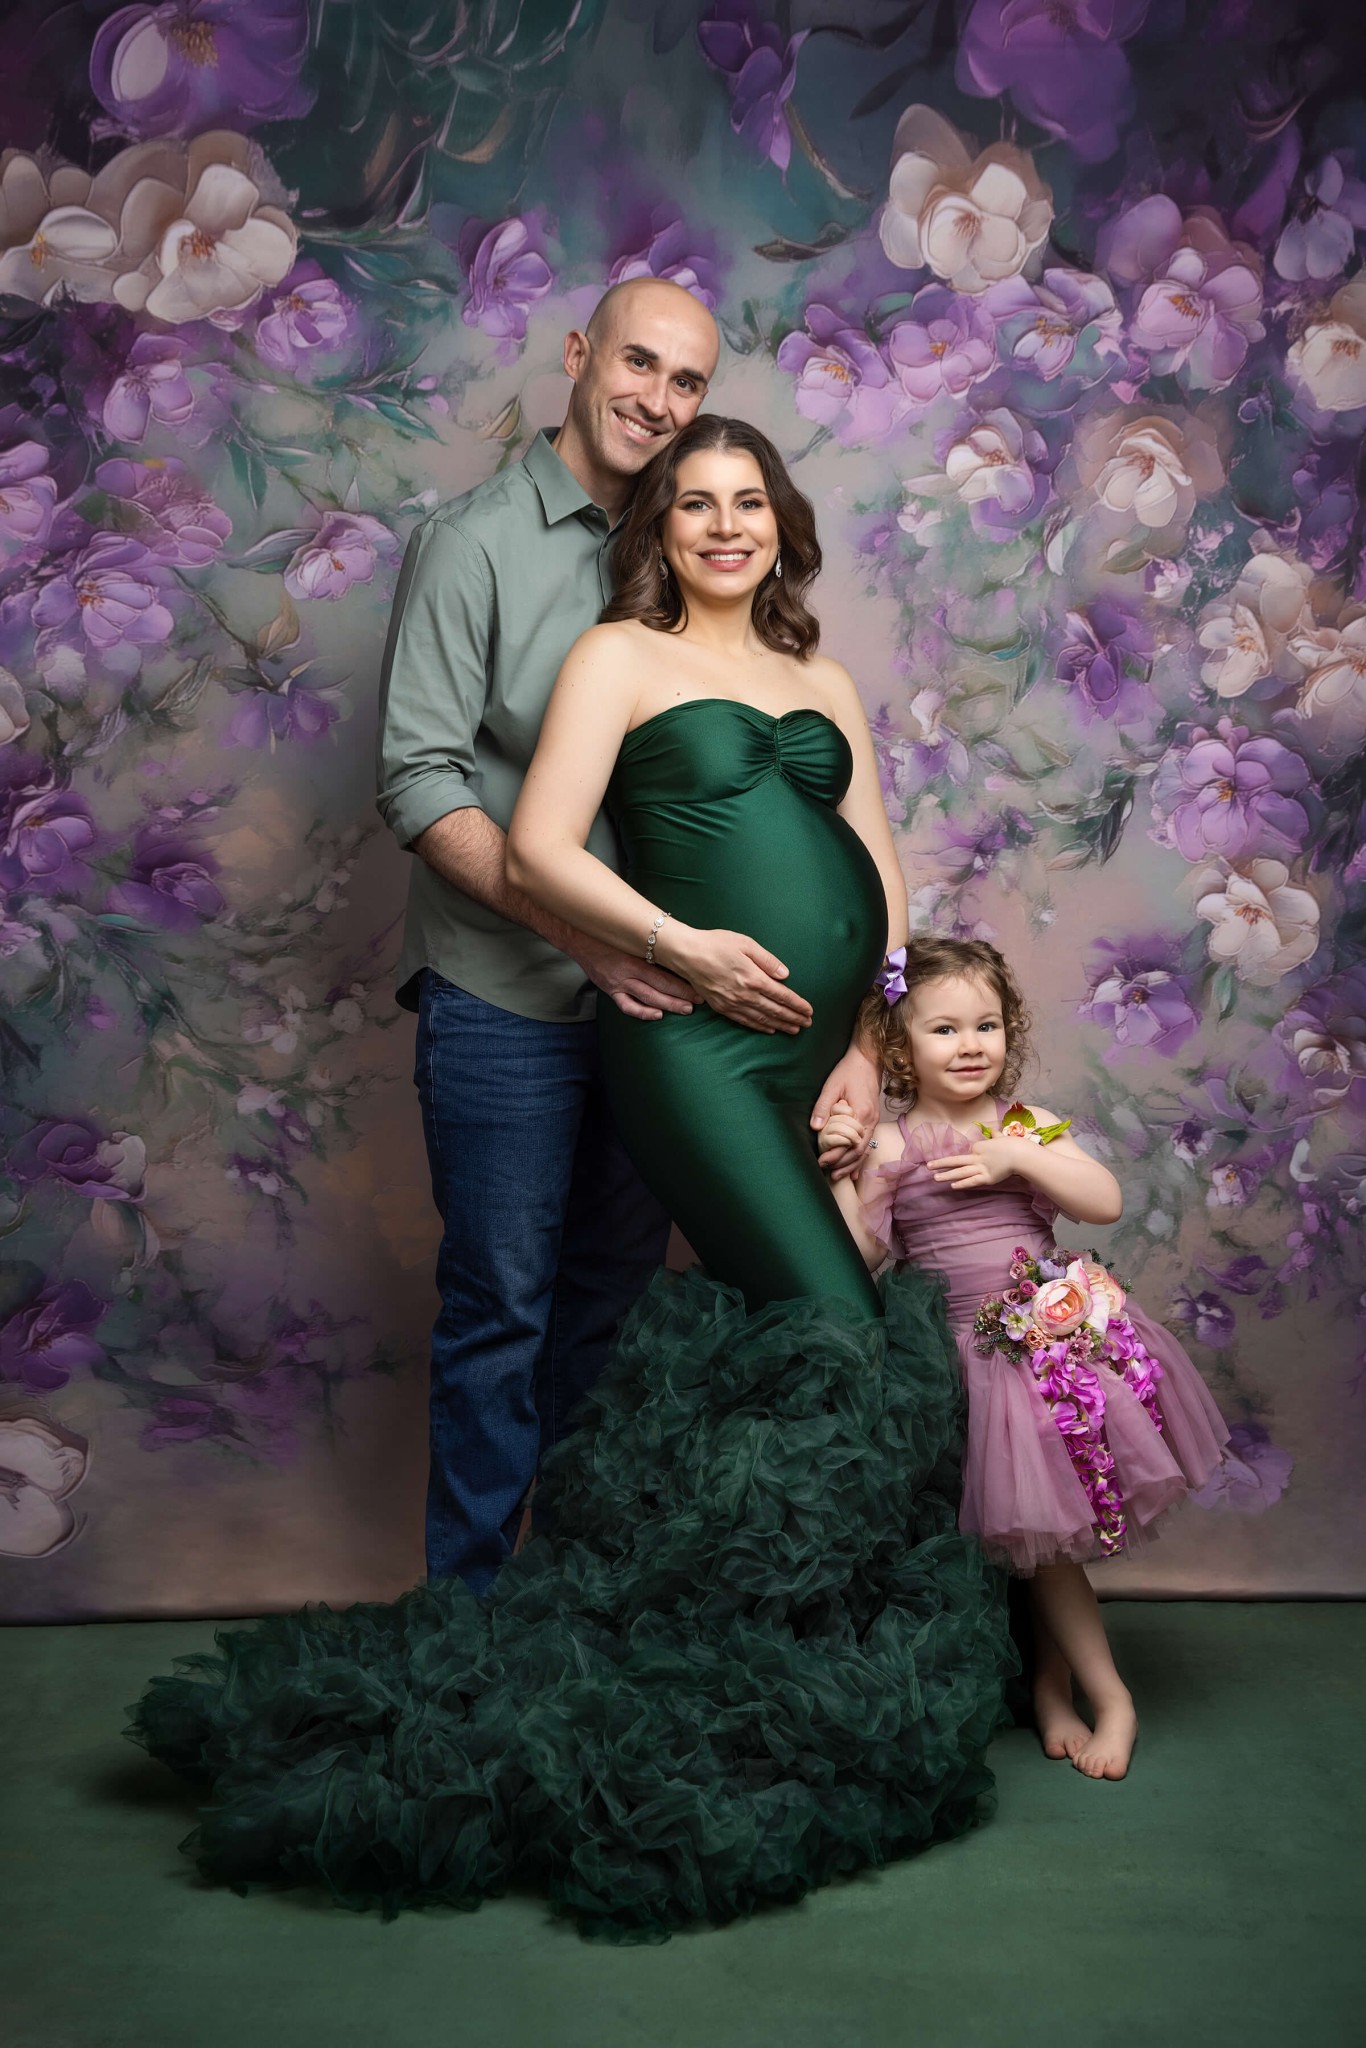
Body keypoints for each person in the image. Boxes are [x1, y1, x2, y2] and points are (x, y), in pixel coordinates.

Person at [130, 419, 1010, 1938]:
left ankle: (743, 1629)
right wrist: (679, 949)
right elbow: (539, 848)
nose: (723, 527)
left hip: (808, 1061)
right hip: (690, 1052)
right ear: (658, 529)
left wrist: (868, 1044)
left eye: (746, 503)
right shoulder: (615, 656)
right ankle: (773, 1672)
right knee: (838, 1329)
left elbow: (881, 874)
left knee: (809, 1332)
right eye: (694, 506)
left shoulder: (825, 682)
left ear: (779, 525)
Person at [374, 277, 717, 1593]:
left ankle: (570, 1621)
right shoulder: (475, 544)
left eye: (686, 383)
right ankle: (463, 1634)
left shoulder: (693, 543)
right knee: (500, 1319)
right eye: (638, 364)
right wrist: (585, 938)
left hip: (656, 1017)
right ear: (578, 356)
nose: (658, 401)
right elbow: (418, 784)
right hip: (504, 1000)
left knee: (609, 1323)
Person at [817, 935, 1229, 1781]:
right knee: (1036, 1542)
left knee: (1052, 1540)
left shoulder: (1024, 1124)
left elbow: (1104, 1201)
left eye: (988, 1025)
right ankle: (1060, 1687)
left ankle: (1095, 1694)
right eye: (944, 1029)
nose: (971, 1045)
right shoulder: (895, 1148)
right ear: (898, 1048)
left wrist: (1017, 1155)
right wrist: (841, 1180)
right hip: (974, 1359)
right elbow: (860, 1262)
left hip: (1060, 1348)